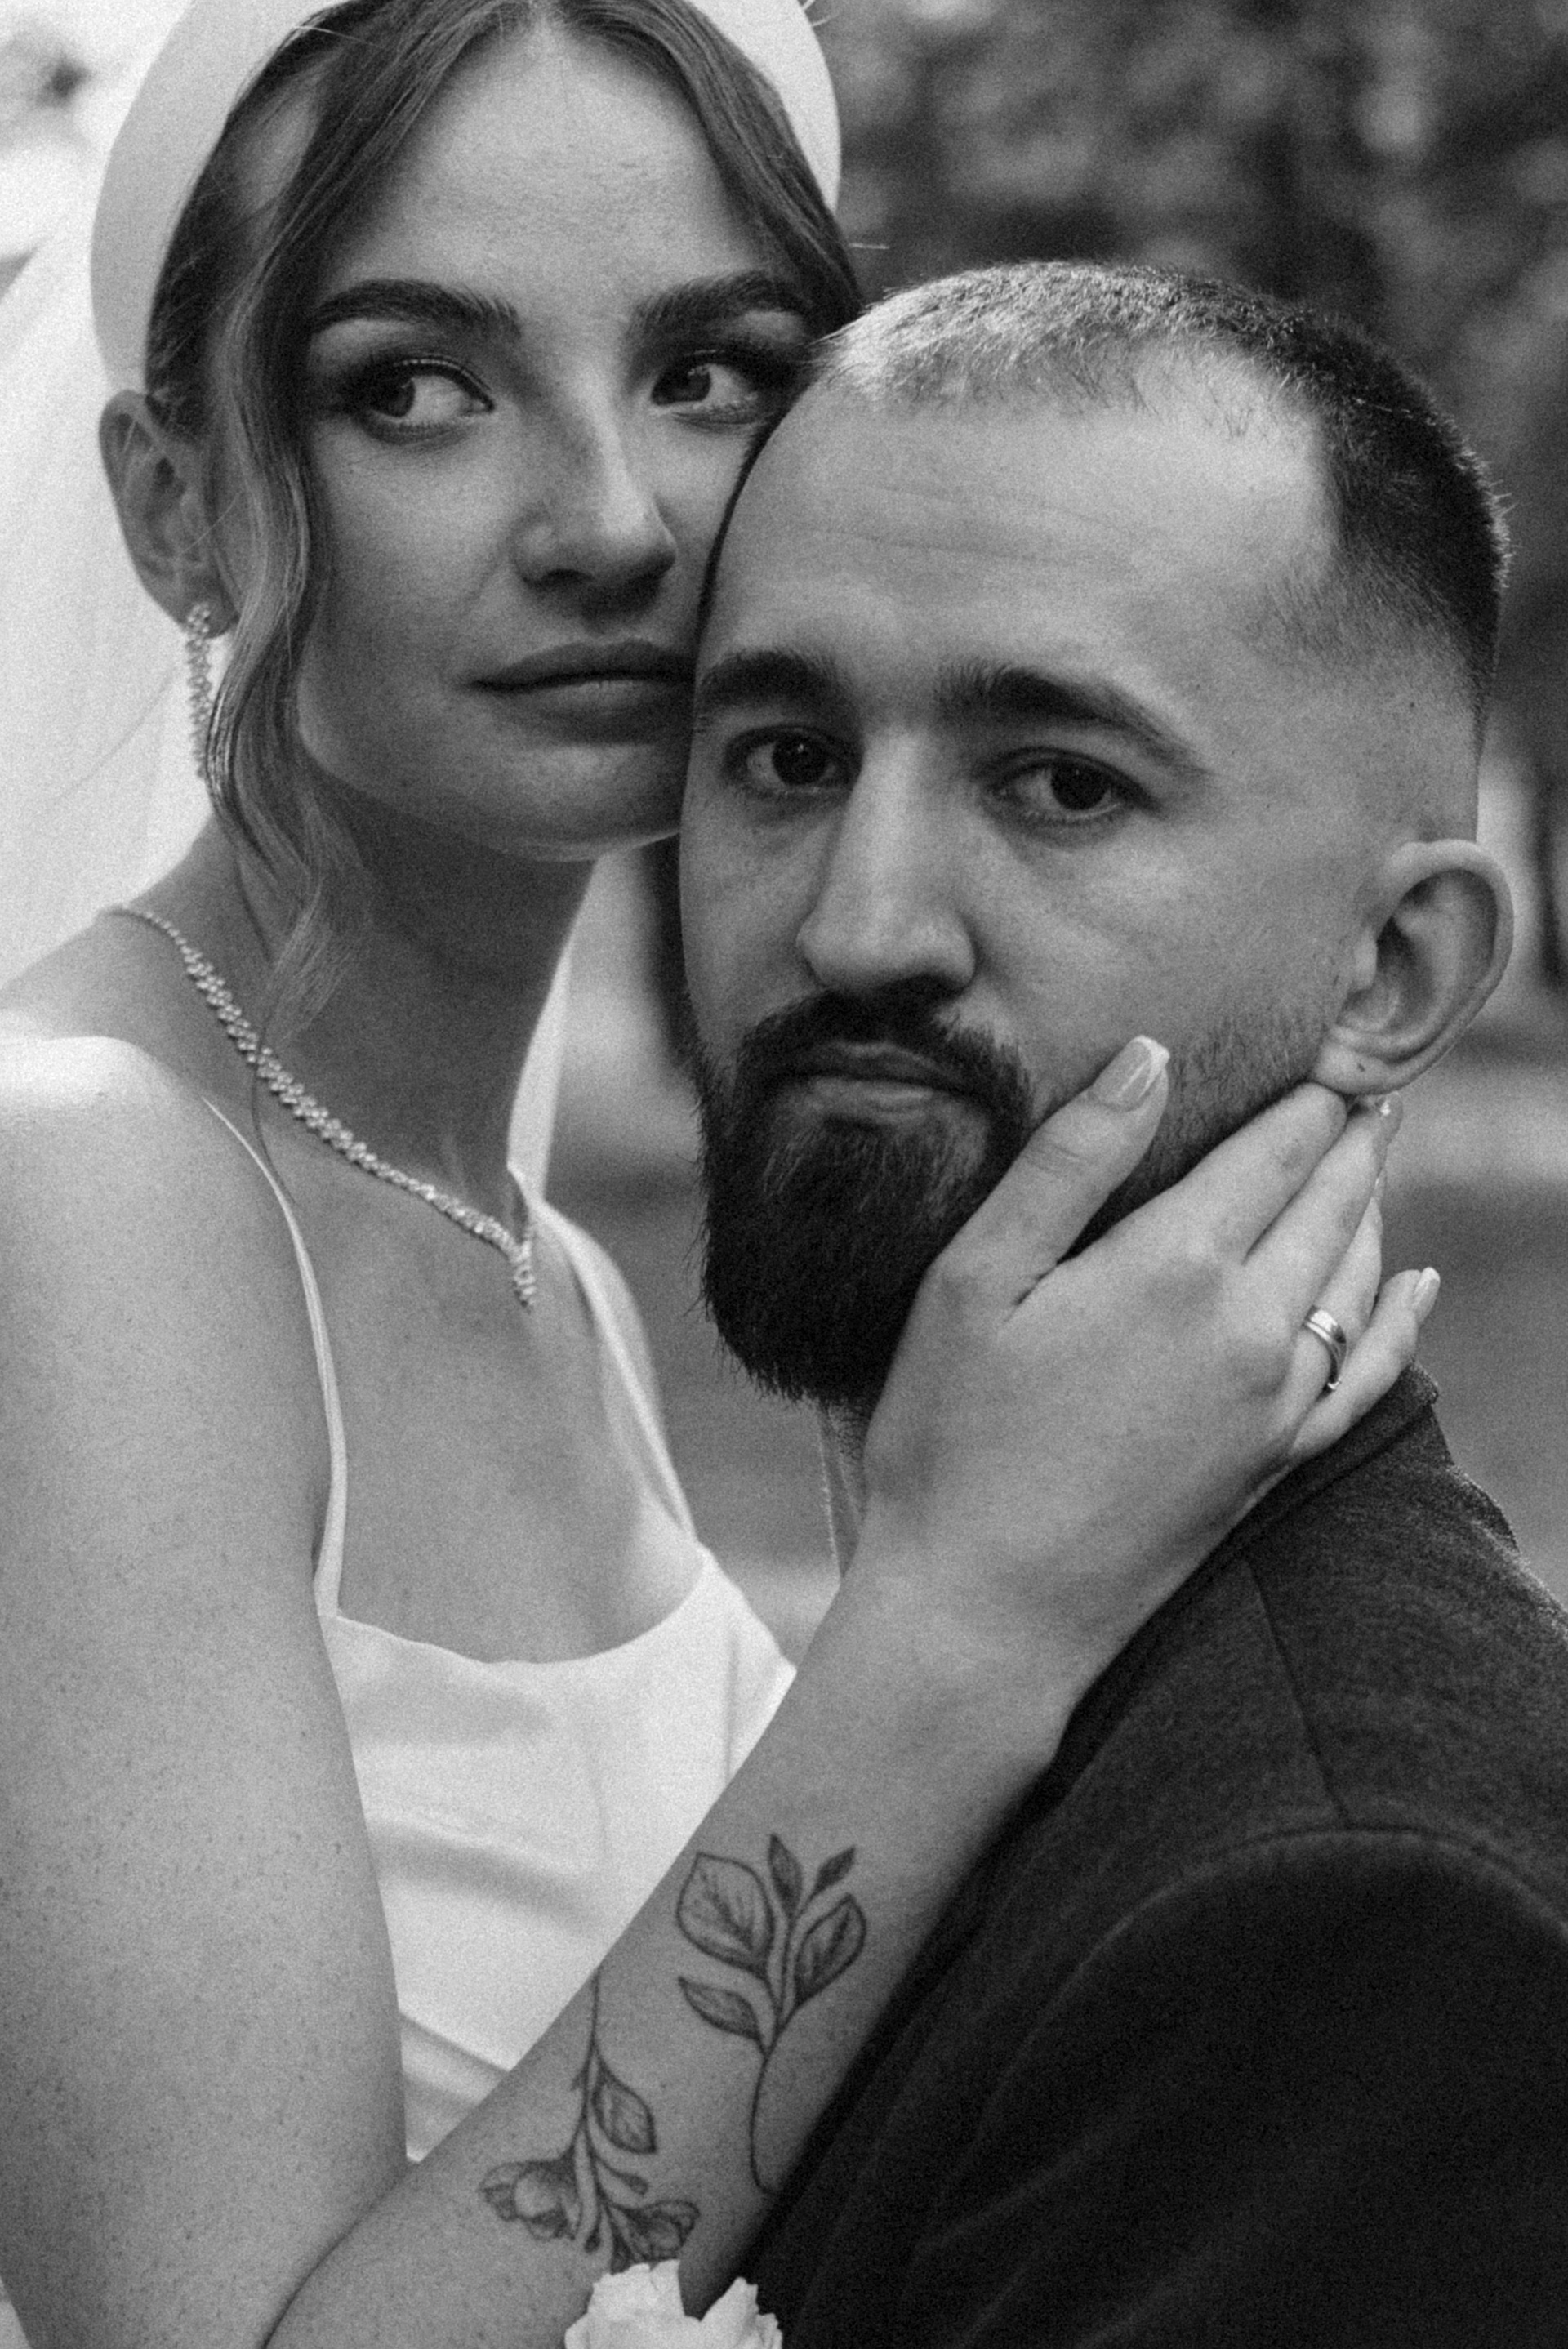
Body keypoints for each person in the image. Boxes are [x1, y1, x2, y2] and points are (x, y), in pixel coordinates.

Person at [0, 7, 1428, 2342]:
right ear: (174, 504)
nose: (610, 519)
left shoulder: (537, 1258)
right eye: (415, 388)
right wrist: (958, 1622)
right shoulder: (86, 1188)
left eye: (706, 373)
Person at [677, 257, 1568, 2345]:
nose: (862, 923)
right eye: (789, 755)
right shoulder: (946, 1705)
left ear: (1396, 973)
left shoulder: (1352, 1921)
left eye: (1062, 783)